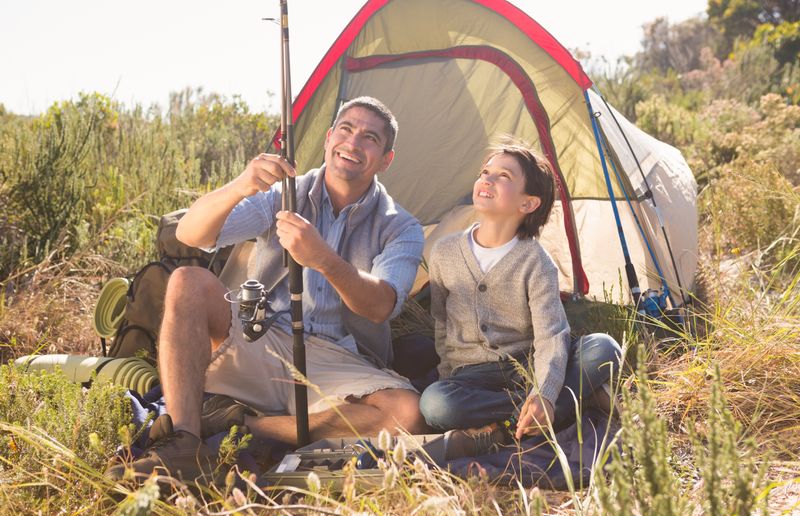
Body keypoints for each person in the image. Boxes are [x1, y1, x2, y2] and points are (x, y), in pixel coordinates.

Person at [107, 96, 428, 483]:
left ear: (386, 159)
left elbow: (381, 306)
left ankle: (243, 423)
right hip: (260, 335)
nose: (353, 143)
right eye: (346, 129)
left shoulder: (401, 226)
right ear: (328, 139)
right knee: (187, 282)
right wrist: (240, 185)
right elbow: (191, 234)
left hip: (339, 360)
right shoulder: (283, 195)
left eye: (370, 138)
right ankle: (184, 442)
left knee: (407, 412)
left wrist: (324, 259)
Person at [418, 141, 621, 459]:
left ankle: (508, 427)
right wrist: (447, 373)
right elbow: (442, 322)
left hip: (527, 364)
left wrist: (543, 391)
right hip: (470, 375)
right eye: (485, 172)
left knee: (605, 348)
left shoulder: (536, 261)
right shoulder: (444, 252)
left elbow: (551, 337)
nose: (487, 179)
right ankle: (565, 404)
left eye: (503, 176)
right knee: (435, 404)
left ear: (527, 204)